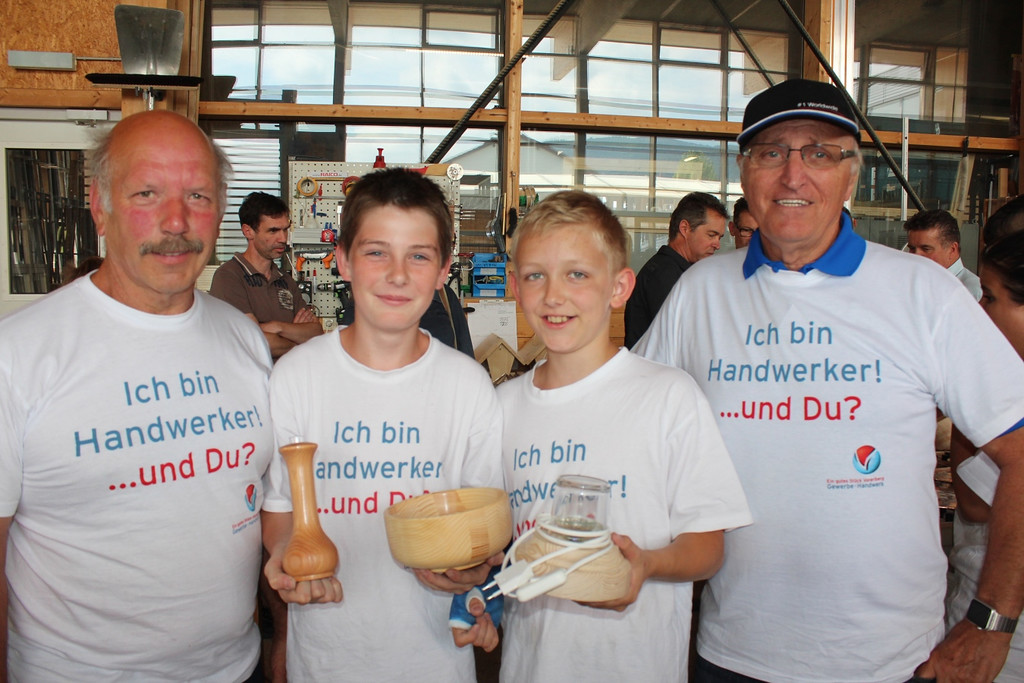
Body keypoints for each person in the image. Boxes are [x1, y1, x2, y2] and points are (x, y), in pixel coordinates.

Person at [634, 78, 1024, 683]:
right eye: (771, 153)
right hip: (734, 649)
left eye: (819, 153)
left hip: (890, 661)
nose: (793, 175)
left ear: (851, 176)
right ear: (745, 174)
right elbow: (632, 423)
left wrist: (991, 621)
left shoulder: (923, 293)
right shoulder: (700, 291)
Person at [0, 110, 275, 681]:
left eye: (197, 195)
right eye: (147, 193)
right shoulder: (18, 354)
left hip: (235, 668)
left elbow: (263, 517)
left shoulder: (242, 338)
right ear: (100, 207)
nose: (176, 221)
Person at [495, 190, 751, 680]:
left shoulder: (668, 396)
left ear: (619, 287)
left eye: (577, 274)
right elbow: (496, 540)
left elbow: (707, 547)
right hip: (532, 666)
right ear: (515, 286)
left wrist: (646, 564)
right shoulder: (502, 408)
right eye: (535, 275)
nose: (554, 295)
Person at [261, 167, 503, 682]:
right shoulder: (297, 377)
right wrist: (284, 556)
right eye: (377, 252)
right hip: (324, 657)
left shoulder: (467, 386)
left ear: (443, 271)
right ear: (343, 260)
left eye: (419, 256)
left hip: (434, 660)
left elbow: (483, 528)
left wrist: (474, 571)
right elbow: (279, 511)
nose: (397, 275)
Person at [947, 230, 1024, 681]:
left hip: (999, 631)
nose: (979, 309)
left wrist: (968, 401)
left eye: (991, 298)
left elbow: (975, 504)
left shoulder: (1005, 386)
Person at [210, 191, 323, 359]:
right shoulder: (228, 276)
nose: (283, 238)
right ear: (248, 231)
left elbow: (316, 333)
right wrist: (298, 341)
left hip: (287, 375)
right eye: (273, 231)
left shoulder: (285, 280)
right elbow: (252, 341)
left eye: (285, 229)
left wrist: (277, 327)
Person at [624, 192, 727, 347]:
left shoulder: (681, 272)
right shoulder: (663, 276)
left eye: (719, 237)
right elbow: (684, 339)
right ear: (685, 228)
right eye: (711, 235)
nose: (717, 244)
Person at [904, 208, 982, 300]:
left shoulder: (972, 292)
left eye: (926, 249)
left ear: (952, 250)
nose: (916, 255)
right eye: (912, 248)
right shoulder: (911, 284)